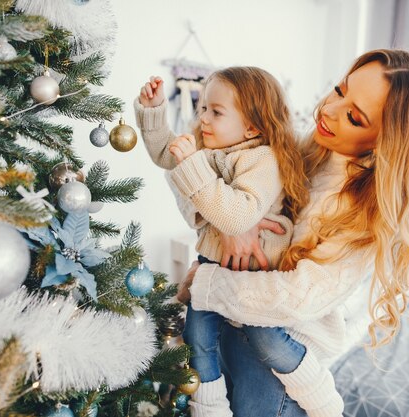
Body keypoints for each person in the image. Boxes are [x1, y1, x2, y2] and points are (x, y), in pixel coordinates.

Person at [176, 49, 409, 417]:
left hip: (272, 374)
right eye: (340, 90)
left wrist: (207, 283)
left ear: (387, 142)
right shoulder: (304, 152)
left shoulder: (366, 212)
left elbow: (296, 297)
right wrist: (235, 222)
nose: (329, 110)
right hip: (227, 332)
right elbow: (210, 193)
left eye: (354, 116)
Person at [134, 67, 346, 416]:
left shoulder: (263, 160)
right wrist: (155, 112)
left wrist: (192, 164)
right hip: (212, 267)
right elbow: (166, 155)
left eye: (216, 112)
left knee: (268, 341)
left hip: (253, 277)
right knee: (198, 339)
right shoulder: (211, 149)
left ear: (252, 126)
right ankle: (210, 407)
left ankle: (322, 398)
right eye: (202, 108)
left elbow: (236, 217)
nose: (203, 118)